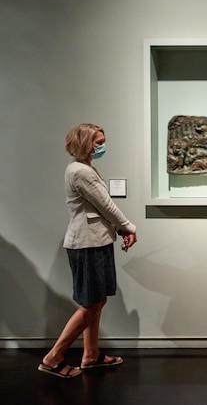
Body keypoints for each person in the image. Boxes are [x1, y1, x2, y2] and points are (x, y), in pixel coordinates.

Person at [37, 123, 138, 378]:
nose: (102, 146)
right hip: (88, 244)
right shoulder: (81, 172)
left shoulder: (83, 168)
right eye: (98, 142)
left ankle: (91, 355)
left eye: (103, 140)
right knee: (91, 303)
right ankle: (53, 357)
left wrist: (120, 229)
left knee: (96, 301)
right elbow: (106, 206)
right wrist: (128, 227)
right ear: (84, 142)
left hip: (96, 241)